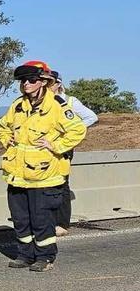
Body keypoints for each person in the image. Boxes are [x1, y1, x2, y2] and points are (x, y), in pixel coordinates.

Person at [0, 61, 87, 272]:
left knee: (41, 219)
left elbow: (77, 130)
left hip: (45, 176)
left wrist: (55, 146)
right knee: (21, 219)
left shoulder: (57, 106)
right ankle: (25, 254)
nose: (26, 84)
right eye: (23, 81)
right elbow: (3, 127)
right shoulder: (18, 106)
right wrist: (6, 138)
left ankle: (45, 257)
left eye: (32, 80)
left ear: (43, 82)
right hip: (18, 175)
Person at [46, 69, 98, 235]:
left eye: (51, 83)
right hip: (44, 147)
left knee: (61, 182)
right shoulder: (41, 102)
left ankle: (61, 223)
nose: (47, 86)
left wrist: (72, 131)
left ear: (58, 84)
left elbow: (91, 117)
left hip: (64, 147)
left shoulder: (69, 101)